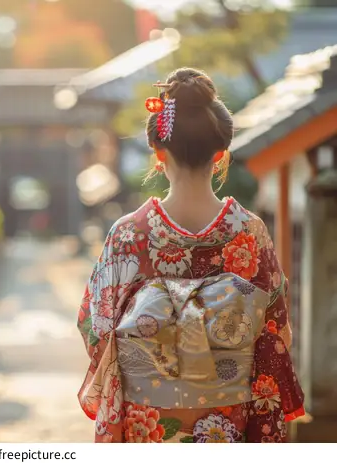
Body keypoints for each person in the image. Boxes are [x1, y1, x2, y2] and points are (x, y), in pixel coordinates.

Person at [76, 68, 305, 443]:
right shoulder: (250, 232)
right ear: (220, 153)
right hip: (229, 418)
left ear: (157, 150)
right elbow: (275, 330)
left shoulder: (129, 234)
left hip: (147, 419)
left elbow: (95, 326)